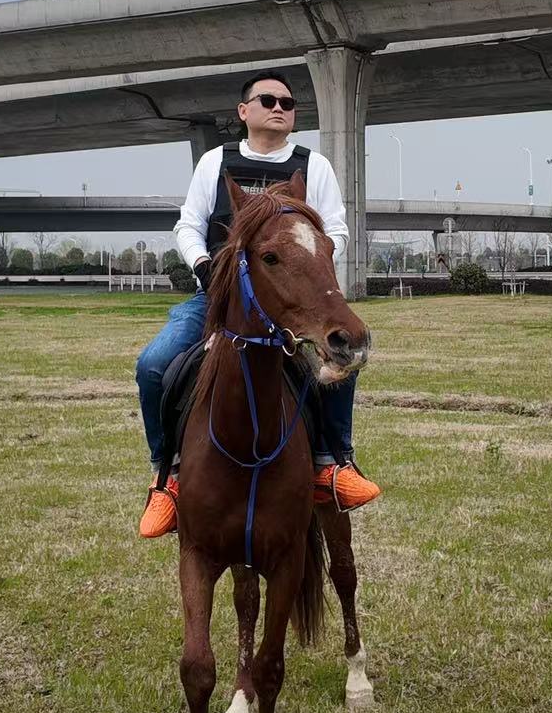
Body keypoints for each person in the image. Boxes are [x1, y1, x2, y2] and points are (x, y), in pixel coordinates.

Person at [133, 68, 382, 538]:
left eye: (288, 104)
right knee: (153, 364)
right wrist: (206, 266)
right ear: (243, 111)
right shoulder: (215, 162)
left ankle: (333, 464)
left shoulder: (315, 166)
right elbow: (188, 225)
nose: (279, 109)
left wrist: (307, 270)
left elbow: (337, 230)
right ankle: (166, 477)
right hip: (218, 298)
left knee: (341, 357)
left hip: (289, 300)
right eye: (268, 101)